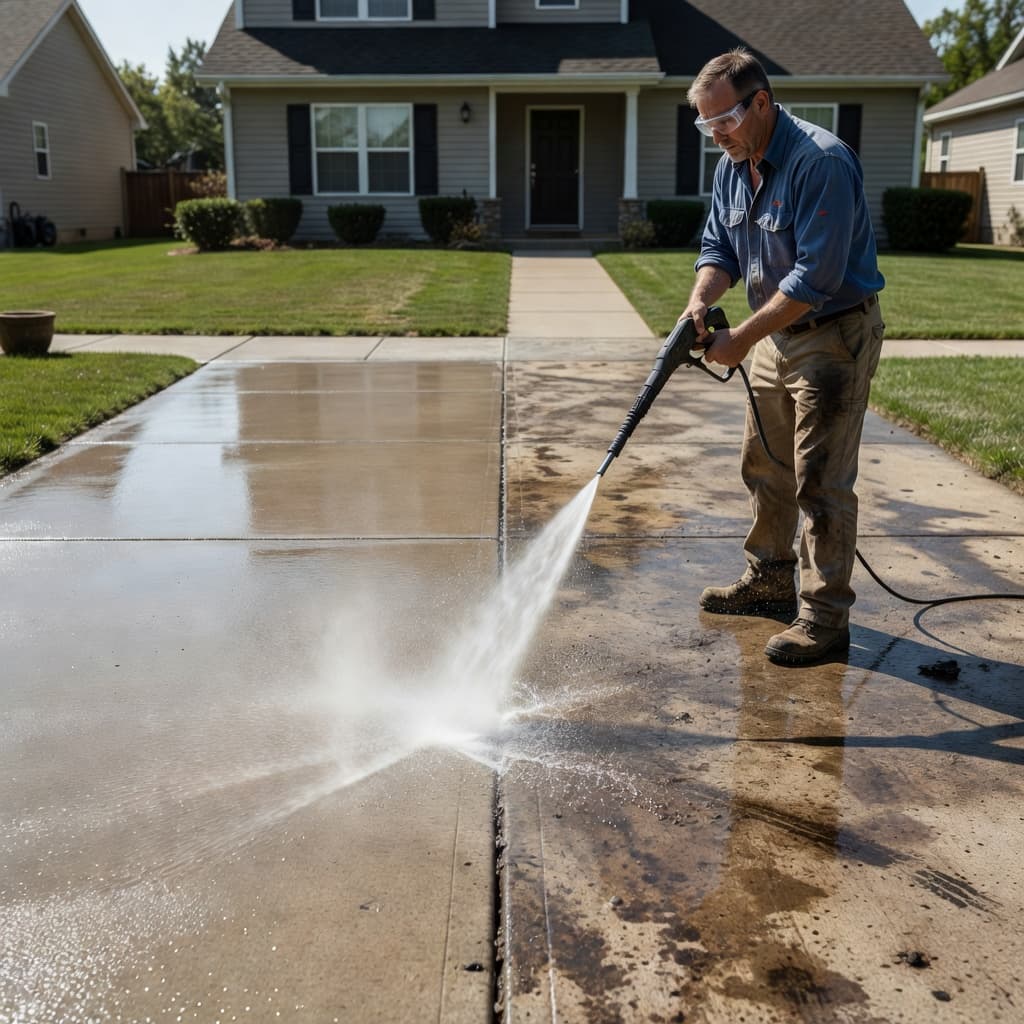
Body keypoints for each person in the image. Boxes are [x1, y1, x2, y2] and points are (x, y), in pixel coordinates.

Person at [680, 48, 886, 666]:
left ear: (762, 103)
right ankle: (770, 581)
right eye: (705, 125)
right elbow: (720, 247)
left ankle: (825, 619)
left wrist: (738, 338)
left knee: (820, 483)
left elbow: (814, 279)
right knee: (764, 465)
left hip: (832, 335)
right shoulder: (732, 165)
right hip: (775, 335)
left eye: (725, 120)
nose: (717, 135)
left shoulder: (819, 162)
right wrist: (698, 303)